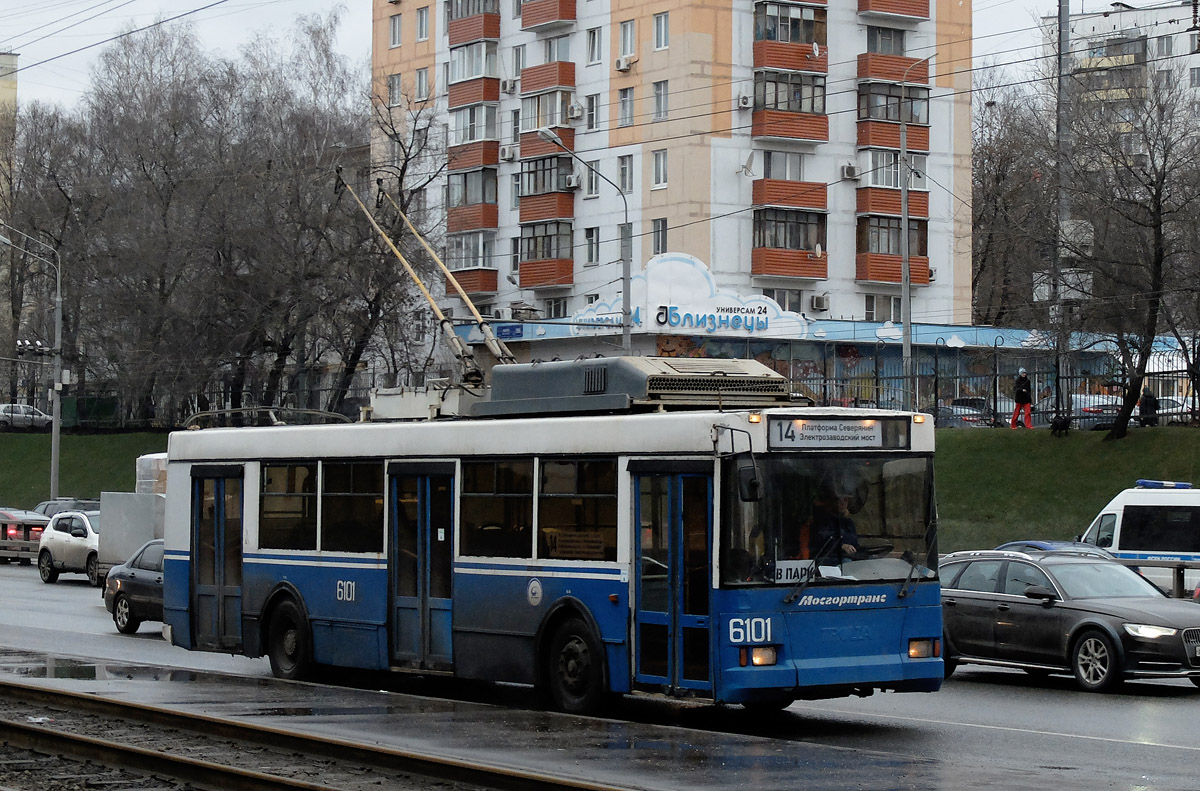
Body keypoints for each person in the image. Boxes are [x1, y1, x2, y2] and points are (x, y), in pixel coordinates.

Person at [807, 488, 859, 561]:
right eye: (838, 499)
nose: (842, 503)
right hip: (827, 561)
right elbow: (823, 541)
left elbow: (854, 542)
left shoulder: (848, 522)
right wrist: (841, 546)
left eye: (845, 500)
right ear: (831, 501)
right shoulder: (823, 520)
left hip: (847, 559)